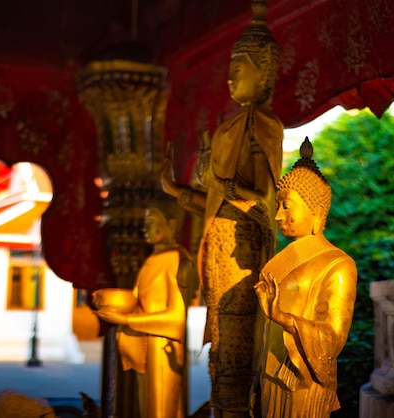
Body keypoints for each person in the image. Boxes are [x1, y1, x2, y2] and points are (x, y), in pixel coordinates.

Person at [161, 1, 283, 416]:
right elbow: (214, 204)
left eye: (241, 68)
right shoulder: (228, 127)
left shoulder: (263, 126)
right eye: (230, 69)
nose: (231, 77)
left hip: (242, 255)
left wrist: (219, 182)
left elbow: (265, 200)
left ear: (264, 73)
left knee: (235, 355)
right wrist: (177, 191)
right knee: (219, 358)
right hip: (217, 254)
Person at [251, 138, 358, 418]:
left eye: (286, 206)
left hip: (302, 379)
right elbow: (265, 331)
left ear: (315, 210)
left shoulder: (338, 264)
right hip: (269, 373)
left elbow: (333, 339)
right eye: (278, 206)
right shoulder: (283, 260)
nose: (277, 215)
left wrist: (283, 317)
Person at [94, 195, 196, 418]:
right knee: (146, 408)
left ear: (171, 224)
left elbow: (176, 318)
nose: (144, 228)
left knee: (160, 410)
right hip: (144, 343)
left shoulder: (178, 260)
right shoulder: (153, 259)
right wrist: (110, 300)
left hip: (163, 346)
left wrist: (126, 320)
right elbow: (137, 299)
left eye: (151, 222)